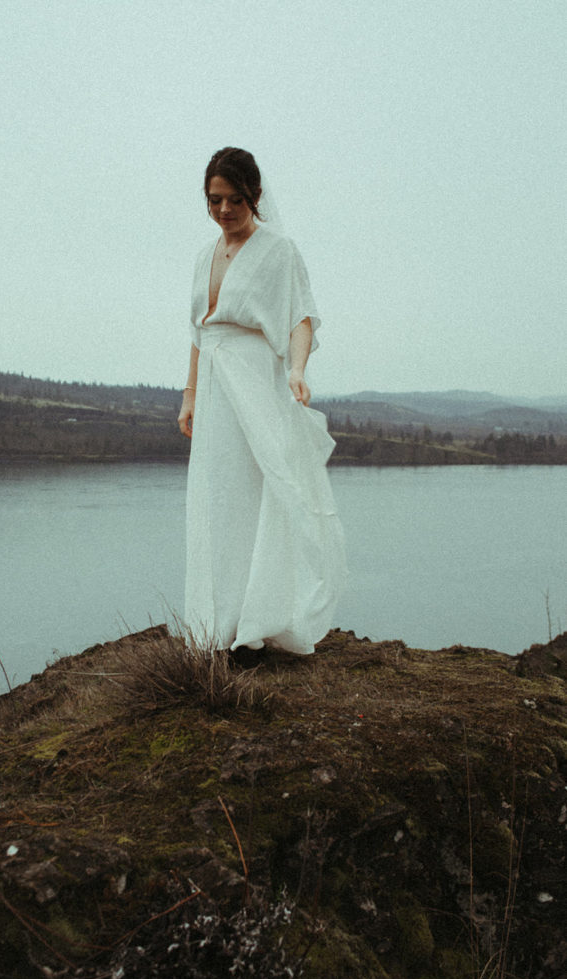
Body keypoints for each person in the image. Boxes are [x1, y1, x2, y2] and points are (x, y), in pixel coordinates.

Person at [177, 147, 345, 656]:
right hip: (215, 386)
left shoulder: (279, 251)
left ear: (254, 197)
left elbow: (301, 317)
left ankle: (258, 618)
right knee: (216, 498)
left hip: (255, 381)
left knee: (258, 494)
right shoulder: (203, 256)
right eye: (214, 200)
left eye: (234, 200)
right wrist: (190, 395)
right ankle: (218, 622)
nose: (224, 210)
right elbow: (198, 332)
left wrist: (296, 370)